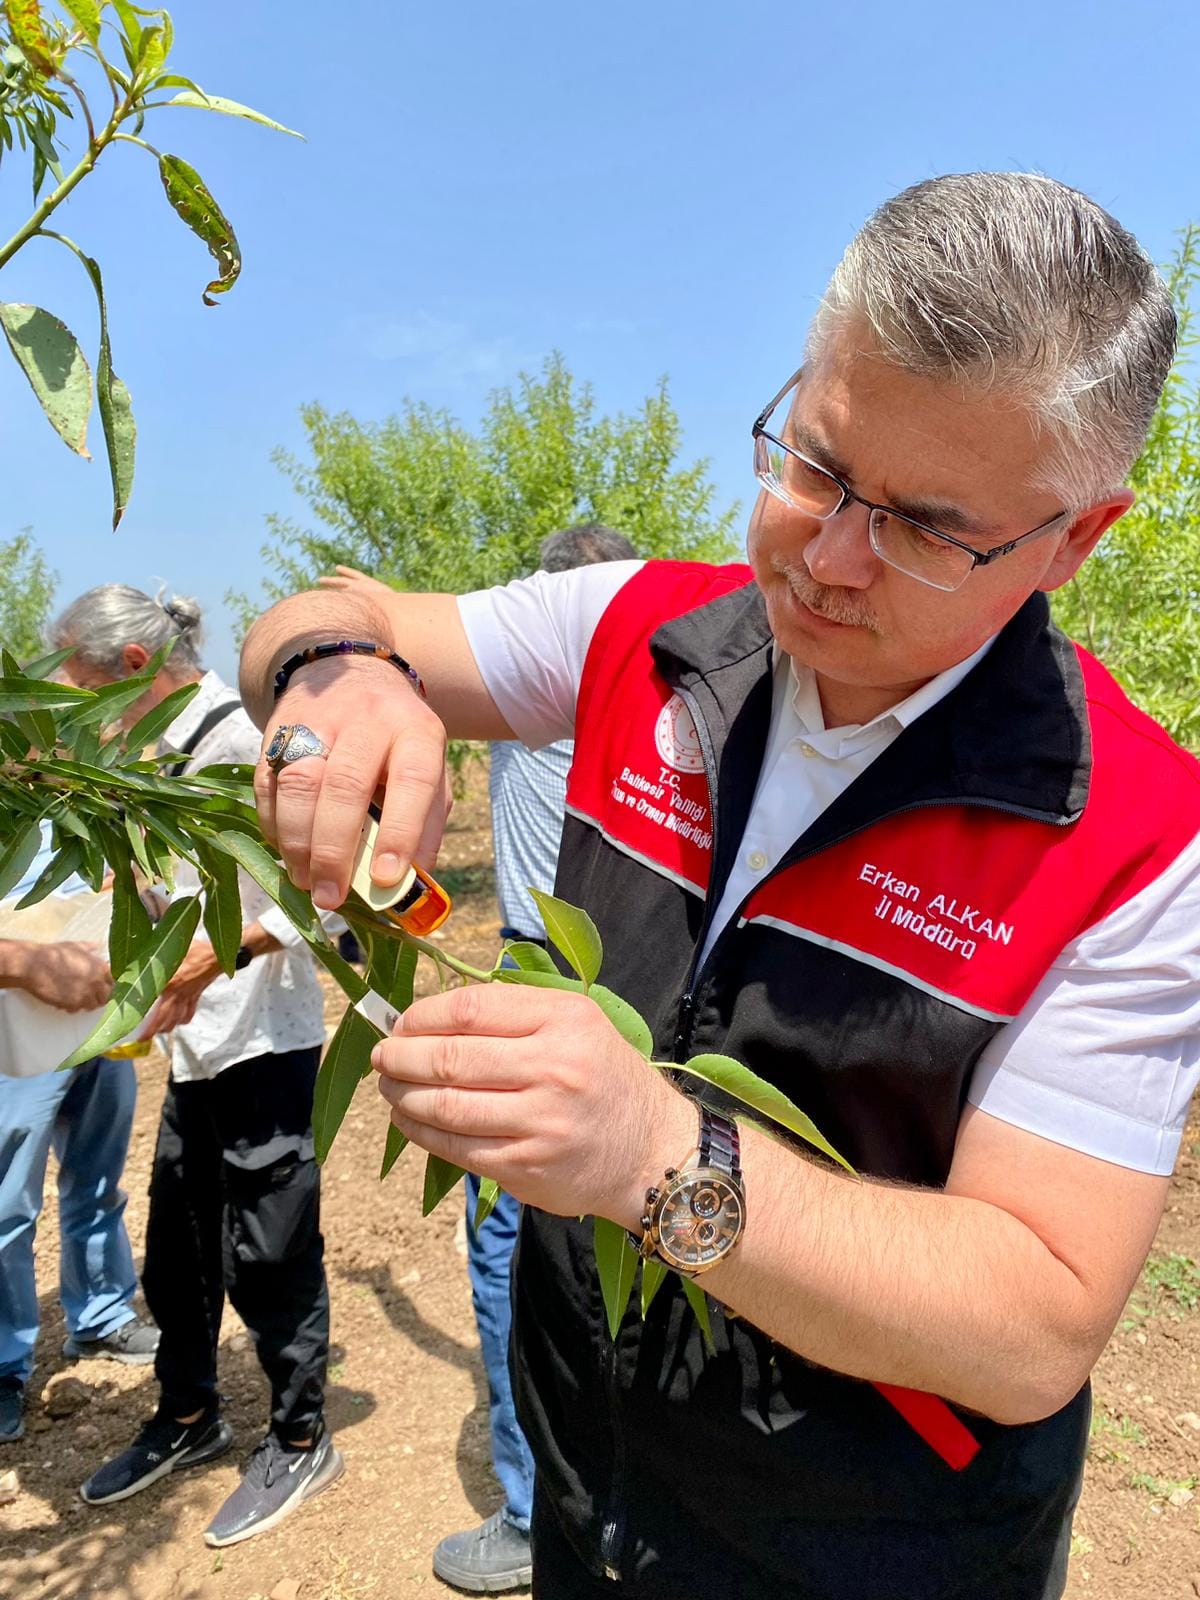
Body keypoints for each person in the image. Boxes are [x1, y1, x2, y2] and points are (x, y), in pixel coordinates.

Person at [239, 173, 1200, 1600]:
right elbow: (349, 609)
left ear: (1076, 538)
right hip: (589, 1489)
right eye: (813, 463)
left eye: (928, 528)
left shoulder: (1136, 834)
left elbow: (1035, 1321)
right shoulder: (638, 629)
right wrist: (335, 680)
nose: (826, 558)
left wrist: (653, 1156)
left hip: (866, 1556)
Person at [321, 522, 638, 1594]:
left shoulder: (545, 679)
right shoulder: (647, 693)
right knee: (623, 1244)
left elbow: (377, 632)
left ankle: (533, 1507)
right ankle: (624, 1486)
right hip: (630, 969)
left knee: (505, 1239)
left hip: (543, 966)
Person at [49, 585, 343, 1546]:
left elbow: (337, 894)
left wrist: (217, 955)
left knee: (271, 1246)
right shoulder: (149, 759)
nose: (75, 706)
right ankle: (189, 1416)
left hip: (264, 1041)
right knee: (177, 1247)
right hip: (194, 1049)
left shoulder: (260, 741)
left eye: (82, 687)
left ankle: (301, 1435)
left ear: (134, 669)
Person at [0, 832, 159, 1446]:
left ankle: (100, 1312)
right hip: (16, 1012)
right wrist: (25, 964)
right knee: (7, 1201)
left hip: (93, 989)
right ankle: (2, 1365)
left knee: (96, 1172)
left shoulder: (70, 769)